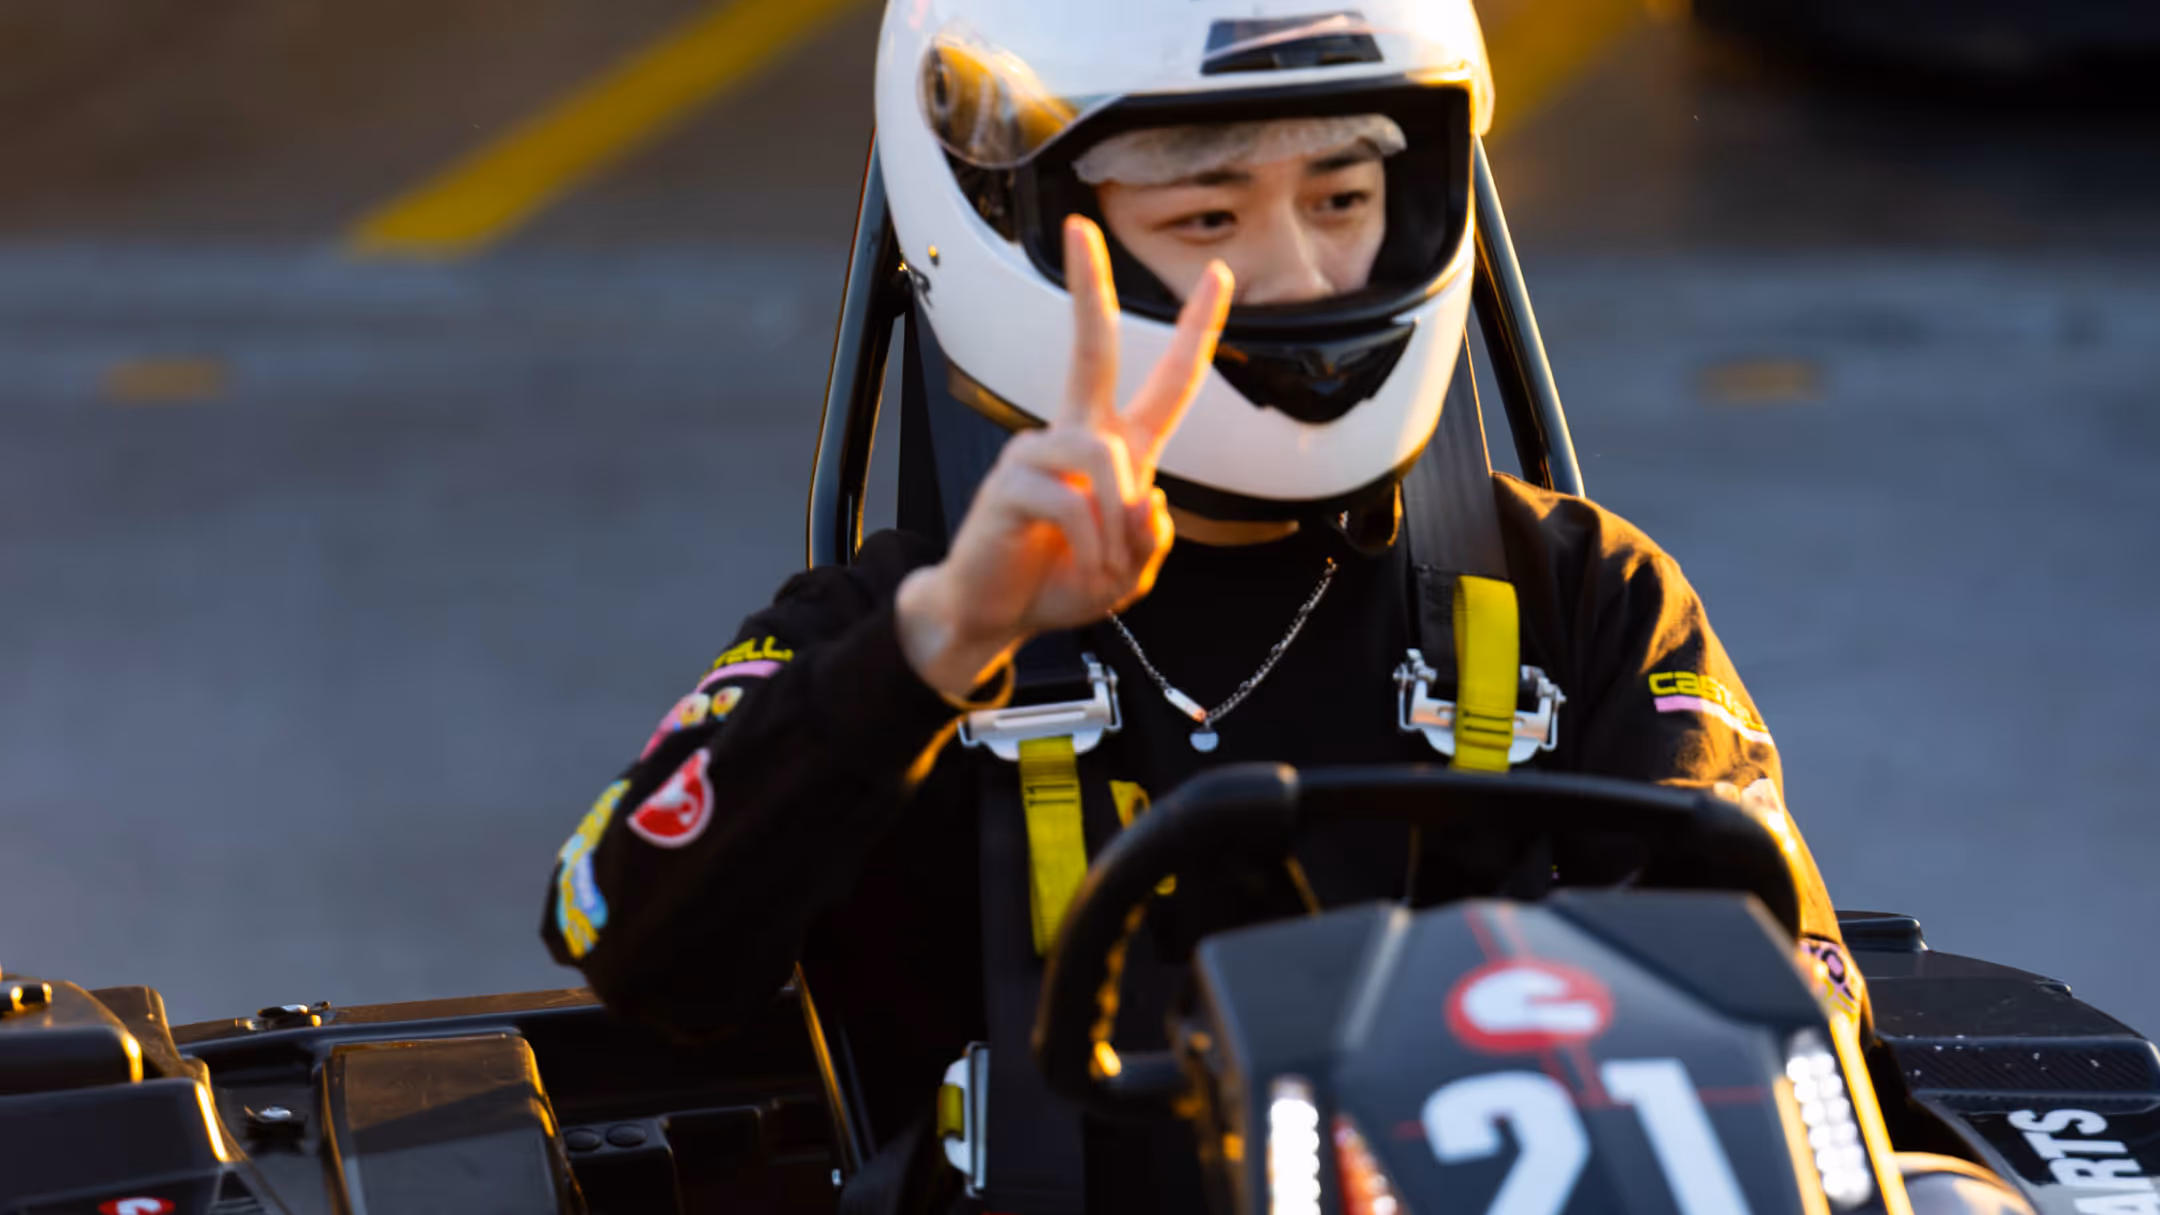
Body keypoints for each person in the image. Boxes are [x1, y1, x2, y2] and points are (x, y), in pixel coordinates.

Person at [540, 1, 1856, 1209]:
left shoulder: (1581, 593)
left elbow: (1775, 1003)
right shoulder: (902, 631)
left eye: (1343, 194)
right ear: (1021, 226)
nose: (1296, 275)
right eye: (1209, 219)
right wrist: (940, 650)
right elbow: (625, 932)